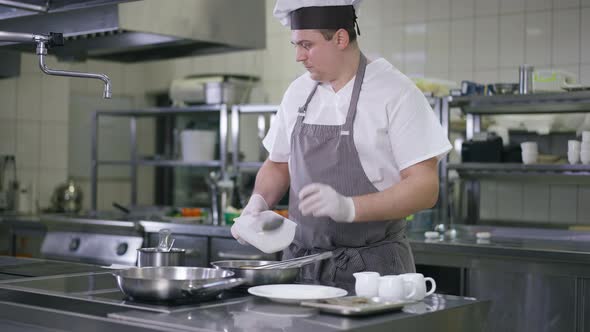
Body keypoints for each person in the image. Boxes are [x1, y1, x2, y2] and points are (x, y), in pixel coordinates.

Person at [231, 0, 452, 291]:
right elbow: (278, 163)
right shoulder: (298, 92)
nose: (299, 56)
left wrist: (350, 208)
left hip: (374, 274)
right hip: (301, 270)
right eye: (295, 45)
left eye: (307, 45)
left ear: (340, 38)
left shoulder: (396, 92)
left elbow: (425, 188)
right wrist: (257, 203)